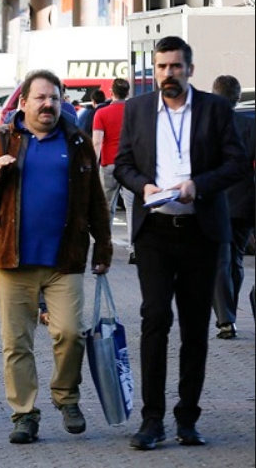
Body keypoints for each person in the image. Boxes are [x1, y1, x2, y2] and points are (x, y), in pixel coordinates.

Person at [0, 69, 112, 445]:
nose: (48, 104)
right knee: (17, 343)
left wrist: (104, 245)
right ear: (24, 102)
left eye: (54, 97)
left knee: (70, 333)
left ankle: (66, 397)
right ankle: (25, 414)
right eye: (41, 97)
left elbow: (94, 196)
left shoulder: (76, 139)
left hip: (65, 260)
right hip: (14, 259)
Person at [114, 36, 248, 450]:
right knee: (155, 319)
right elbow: (122, 164)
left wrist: (199, 185)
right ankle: (151, 420)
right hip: (154, 231)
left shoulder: (216, 109)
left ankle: (187, 418)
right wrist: (145, 186)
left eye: (175, 67)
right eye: (161, 67)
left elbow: (236, 163)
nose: (167, 74)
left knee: (195, 326)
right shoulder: (136, 110)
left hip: (200, 232)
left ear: (190, 68)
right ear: (153, 71)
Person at [210, 75, 255, 340]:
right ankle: (231, 311)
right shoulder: (250, 127)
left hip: (216, 202)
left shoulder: (206, 127)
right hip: (245, 203)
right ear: (238, 99)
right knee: (235, 259)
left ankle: (226, 319)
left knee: (220, 260)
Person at [92, 78, 135, 262]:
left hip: (109, 164)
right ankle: (134, 249)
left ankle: (104, 246)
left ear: (111, 92)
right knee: (132, 208)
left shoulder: (102, 113)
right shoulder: (134, 113)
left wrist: (94, 165)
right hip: (131, 167)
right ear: (128, 92)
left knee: (106, 208)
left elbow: (97, 142)